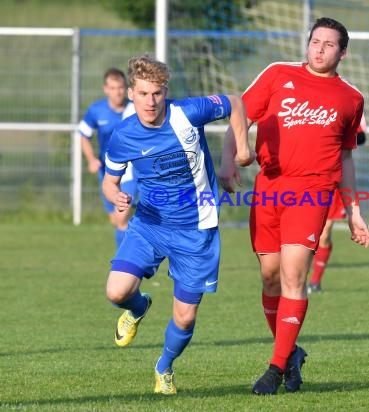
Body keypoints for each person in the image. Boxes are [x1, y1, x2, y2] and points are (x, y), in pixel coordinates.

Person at [220, 17, 369, 395]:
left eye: (329, 44)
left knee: (292, 276)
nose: (319, 49)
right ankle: (291, 353)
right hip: (269, 188)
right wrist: (228, 160)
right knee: (270, 277)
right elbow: (240, 112)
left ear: (343, 52)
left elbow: (347, 157)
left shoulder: (350, 98)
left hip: (313, 191)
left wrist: (353, 211)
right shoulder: (277, 74)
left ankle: (274, 369)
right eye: (315, 41)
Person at [102, 54, 253, 395]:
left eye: (156, 93)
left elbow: (234, 102)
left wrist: (238, 154)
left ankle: (164, 368)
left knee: (185, 317)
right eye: (142, 94)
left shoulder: (188, 111)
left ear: (165, 91)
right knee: (116, 291)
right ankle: (138, 308)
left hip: (196, 228)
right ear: (131, 93)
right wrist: (115, 196)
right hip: (150, 224)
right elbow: (109, 182)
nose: (150, 101)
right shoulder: (123, 135)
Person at [78, 68, 138, 247]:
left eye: (120, 87)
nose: (117, 92)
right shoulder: (96, 110)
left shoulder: (134, 108)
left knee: (121, 217)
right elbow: (83, 135)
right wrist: (91, 159)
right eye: (113, 88)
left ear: (126, 88)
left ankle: (126, 263)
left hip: (130, 171)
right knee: (116, 219)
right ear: (106, 89)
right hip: (107, 172)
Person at [307, 115, 367, 294]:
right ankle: (294, 278)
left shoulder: (349, 99)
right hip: (307, 175)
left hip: (334, 177)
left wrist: (334, 136)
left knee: (323, 233)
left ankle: (315, 282)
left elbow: (361, 137)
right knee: (303, 231)